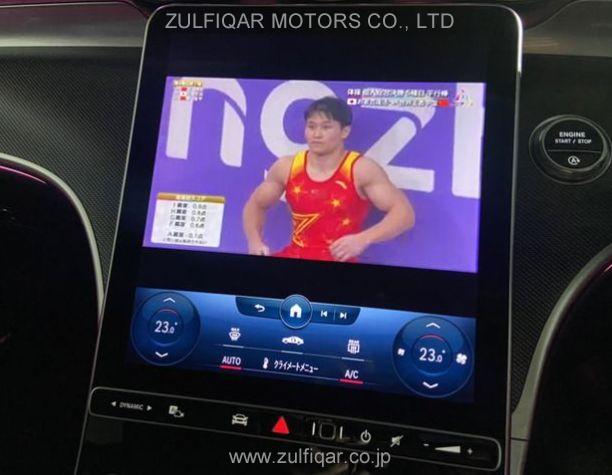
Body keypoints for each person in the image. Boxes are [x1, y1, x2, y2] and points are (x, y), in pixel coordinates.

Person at [243, 96, 414, 263]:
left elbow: (404, 214)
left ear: (344, 131)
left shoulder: (361, 170)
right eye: (311, 126)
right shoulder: (286, 167)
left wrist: (364, 239)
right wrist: (254, 242)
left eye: (326, 127)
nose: (317, 134)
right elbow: (256, 204)